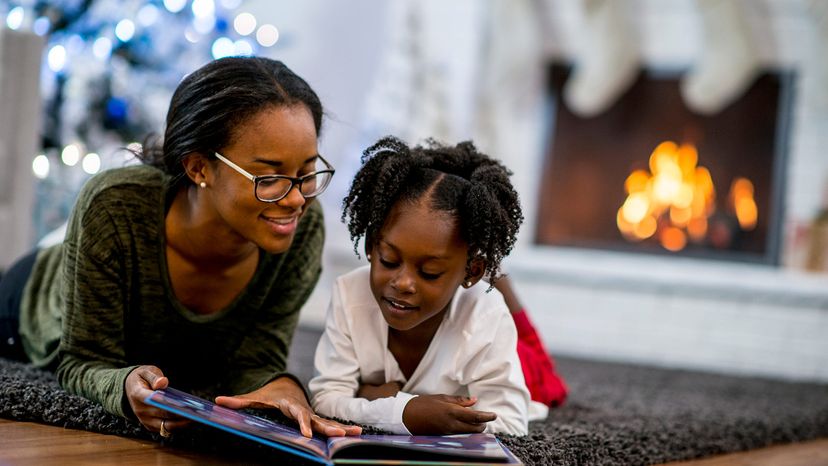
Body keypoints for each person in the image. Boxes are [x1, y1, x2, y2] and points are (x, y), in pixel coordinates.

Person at [0, 56, 360, 439]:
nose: (295, 201)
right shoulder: (114, 205)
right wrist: (124, 385)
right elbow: (82, 360)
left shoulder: (303, 228)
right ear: (198, 168)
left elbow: (257, 358)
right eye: (270, 177)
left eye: (305, 173)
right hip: (31, 303)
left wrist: (283, 387)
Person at [309, 136, 548, 436]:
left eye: (430, 272)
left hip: (521, 367)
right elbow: (325, 399)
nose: (403, 283)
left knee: (544, 377)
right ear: (371, 246)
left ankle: (502, 281)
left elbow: (511, 424)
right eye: (389, 260)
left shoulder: (486, 317)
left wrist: (375, 398)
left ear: (472, 272)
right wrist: (405, 411)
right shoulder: (349, 293)